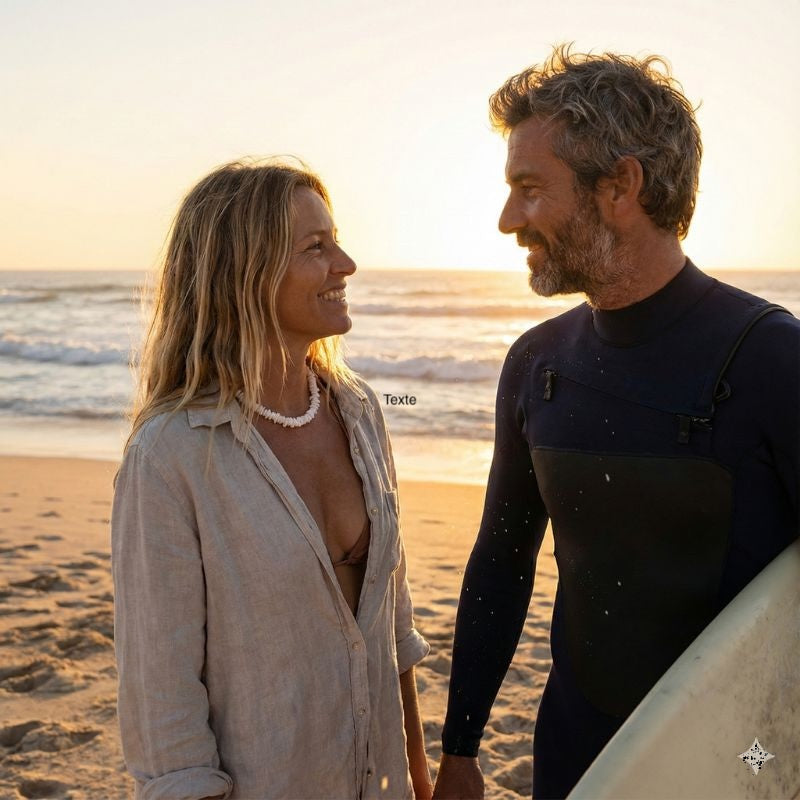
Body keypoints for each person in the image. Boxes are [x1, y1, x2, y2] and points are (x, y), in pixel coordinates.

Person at [433, 46, 799, 799]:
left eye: (529, 189)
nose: (508, 219)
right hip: (575, 757)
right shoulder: (536, 364)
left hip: (738, 762)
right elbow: (502, 562)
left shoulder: (772, 360)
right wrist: (463, 747)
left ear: (619, 186)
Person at [112, 160, 433, 800]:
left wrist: (419, 777)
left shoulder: (362, 412)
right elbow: (163, 700)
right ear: (245, 274)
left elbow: (391, 627)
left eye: (336, 239)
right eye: (317, 247)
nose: (346, 263)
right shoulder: (171, 455)